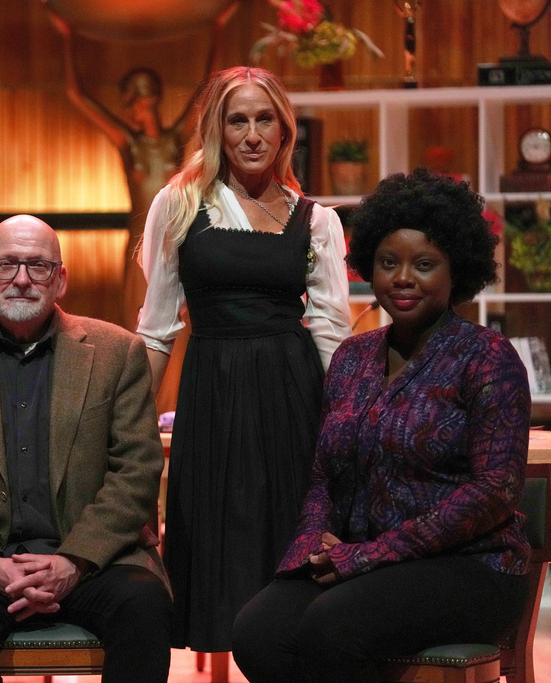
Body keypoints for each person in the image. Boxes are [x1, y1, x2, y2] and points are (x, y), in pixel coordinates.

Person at [232, 167, 532, 682]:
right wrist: (313, 543)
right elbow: (324, 476)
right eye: (388, 263)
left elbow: (493, 493)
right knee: (256, 632)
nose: (403, 278)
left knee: (334, 627)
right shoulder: (351, 357)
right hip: (363, 561)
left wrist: (370, 556)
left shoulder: (488, 358)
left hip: (473, 568)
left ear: (456, 270)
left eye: (424, 264)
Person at [0, 215, 172, 683]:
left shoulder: (117, 353)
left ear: (60, 279)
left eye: (38, 267)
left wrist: (73, 560)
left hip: (93, 560)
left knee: (144, 605)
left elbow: (137, 470)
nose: (22, 279)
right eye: (7, 265)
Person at [138, 66, 352, 652]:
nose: (253, 134)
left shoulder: (319, 221)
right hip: (211, 398)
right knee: (220, 554)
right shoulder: (178, 204)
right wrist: (125, 430)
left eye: (265, 120)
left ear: (285, 132)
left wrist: (348, 430)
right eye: (238, 120)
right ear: (218, 130)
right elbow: (156, 333)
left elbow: (333, 337)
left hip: (293, 399)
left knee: (289, 557)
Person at [48, 1, 241, 330]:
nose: (135, 108)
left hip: (178, 236)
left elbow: (208, 88)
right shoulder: (128, 143)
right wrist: (68, 38)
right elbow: (76, 94)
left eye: (136, 100)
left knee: (181, 321)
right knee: (136, 322)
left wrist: (218, 29)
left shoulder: (175, 137)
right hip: (139, 239)